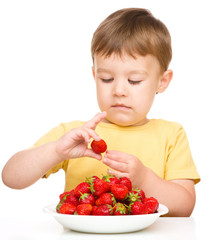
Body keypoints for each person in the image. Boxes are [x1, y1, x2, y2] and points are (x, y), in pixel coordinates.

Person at [1, 8, 200, 217]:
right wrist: (56, 151)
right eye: (106, 79)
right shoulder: (76, 134)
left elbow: (185, 207)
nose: (119, 91)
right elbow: (10, 177)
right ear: (95, 75)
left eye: (134, 81)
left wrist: (143, 179)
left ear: (162, 81)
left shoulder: (171, 135)